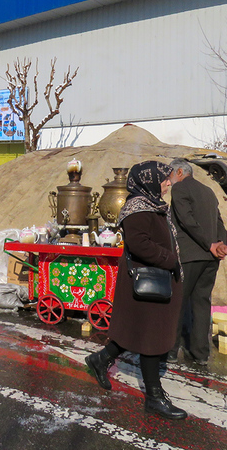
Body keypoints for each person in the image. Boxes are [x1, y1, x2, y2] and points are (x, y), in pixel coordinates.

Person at [84, 161, 187, 420]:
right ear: (149, 180)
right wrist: (170, 259)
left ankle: (100, 359)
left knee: (139, 332)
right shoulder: (138, 208)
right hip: (148, 282)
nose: (167, 183)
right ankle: (154, 397)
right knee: (151, 339)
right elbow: (140, 244)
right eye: (163, 179)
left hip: (157, 282)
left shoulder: (152, 204)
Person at [168, 158, 227, 366]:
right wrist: (221, 244)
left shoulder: (180, 189)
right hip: (210, 258)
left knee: (178, 302)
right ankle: (200, 353)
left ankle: (171, 350)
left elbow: (187, 220)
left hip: (190, 255)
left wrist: (209, 244)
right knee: (202, 303)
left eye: (170, 175)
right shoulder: (208, 191)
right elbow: (219, 221)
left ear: (179, 172)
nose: (169, 181)